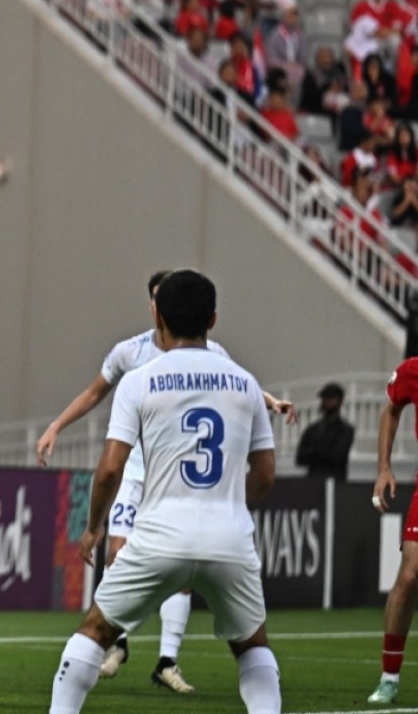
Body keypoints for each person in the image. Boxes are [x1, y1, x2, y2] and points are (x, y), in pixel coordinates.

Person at [36, 270, 295, 693]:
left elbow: (108, 470)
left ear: (158, 316)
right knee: (252, 645)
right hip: (228, 534)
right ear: (212, 319)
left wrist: (92, 527)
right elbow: (265, 474)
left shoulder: (141, 379)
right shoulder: (243, 381)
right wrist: (228, 505)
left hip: (160, 529)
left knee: (95, 630)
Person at [366, 357, 418, 704]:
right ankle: (389, 676)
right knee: (410, 574)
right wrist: (384, 468)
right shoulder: (414, 369)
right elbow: (391, 410)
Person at [295, 382, 355, 481]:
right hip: (313, 482)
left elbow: (337, 456)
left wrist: (315, 452)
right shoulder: (313, 429)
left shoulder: (345, 430)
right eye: (324, 398)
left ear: (339, 401)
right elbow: (300, 458)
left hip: (336, 482)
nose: (326, 401)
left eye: (330, 398)